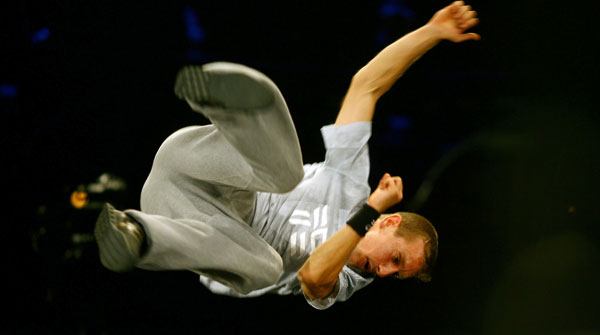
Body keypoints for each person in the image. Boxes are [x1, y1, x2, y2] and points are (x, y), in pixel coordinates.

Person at [94, 1, 480, 309]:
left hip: (177, 219)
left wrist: (364, 216)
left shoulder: (346, 281)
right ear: (389, 221)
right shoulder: (348, 182)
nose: (381, 271)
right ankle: (227, 105)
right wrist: (431, 32)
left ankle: (135, 235)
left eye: (394, 275)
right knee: (286, 176)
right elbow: (366, 87)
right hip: (202, 164)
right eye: (394, 259)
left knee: (265, 269)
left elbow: (312, 277)